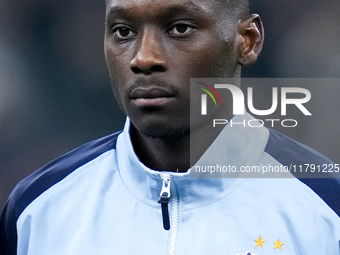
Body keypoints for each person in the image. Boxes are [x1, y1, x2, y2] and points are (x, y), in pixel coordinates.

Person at [1, 0, 339, 254]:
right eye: (123, 32)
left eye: (179, 28)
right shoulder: (37, 210)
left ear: (247, 41)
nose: (144, 58)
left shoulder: (327, 207)